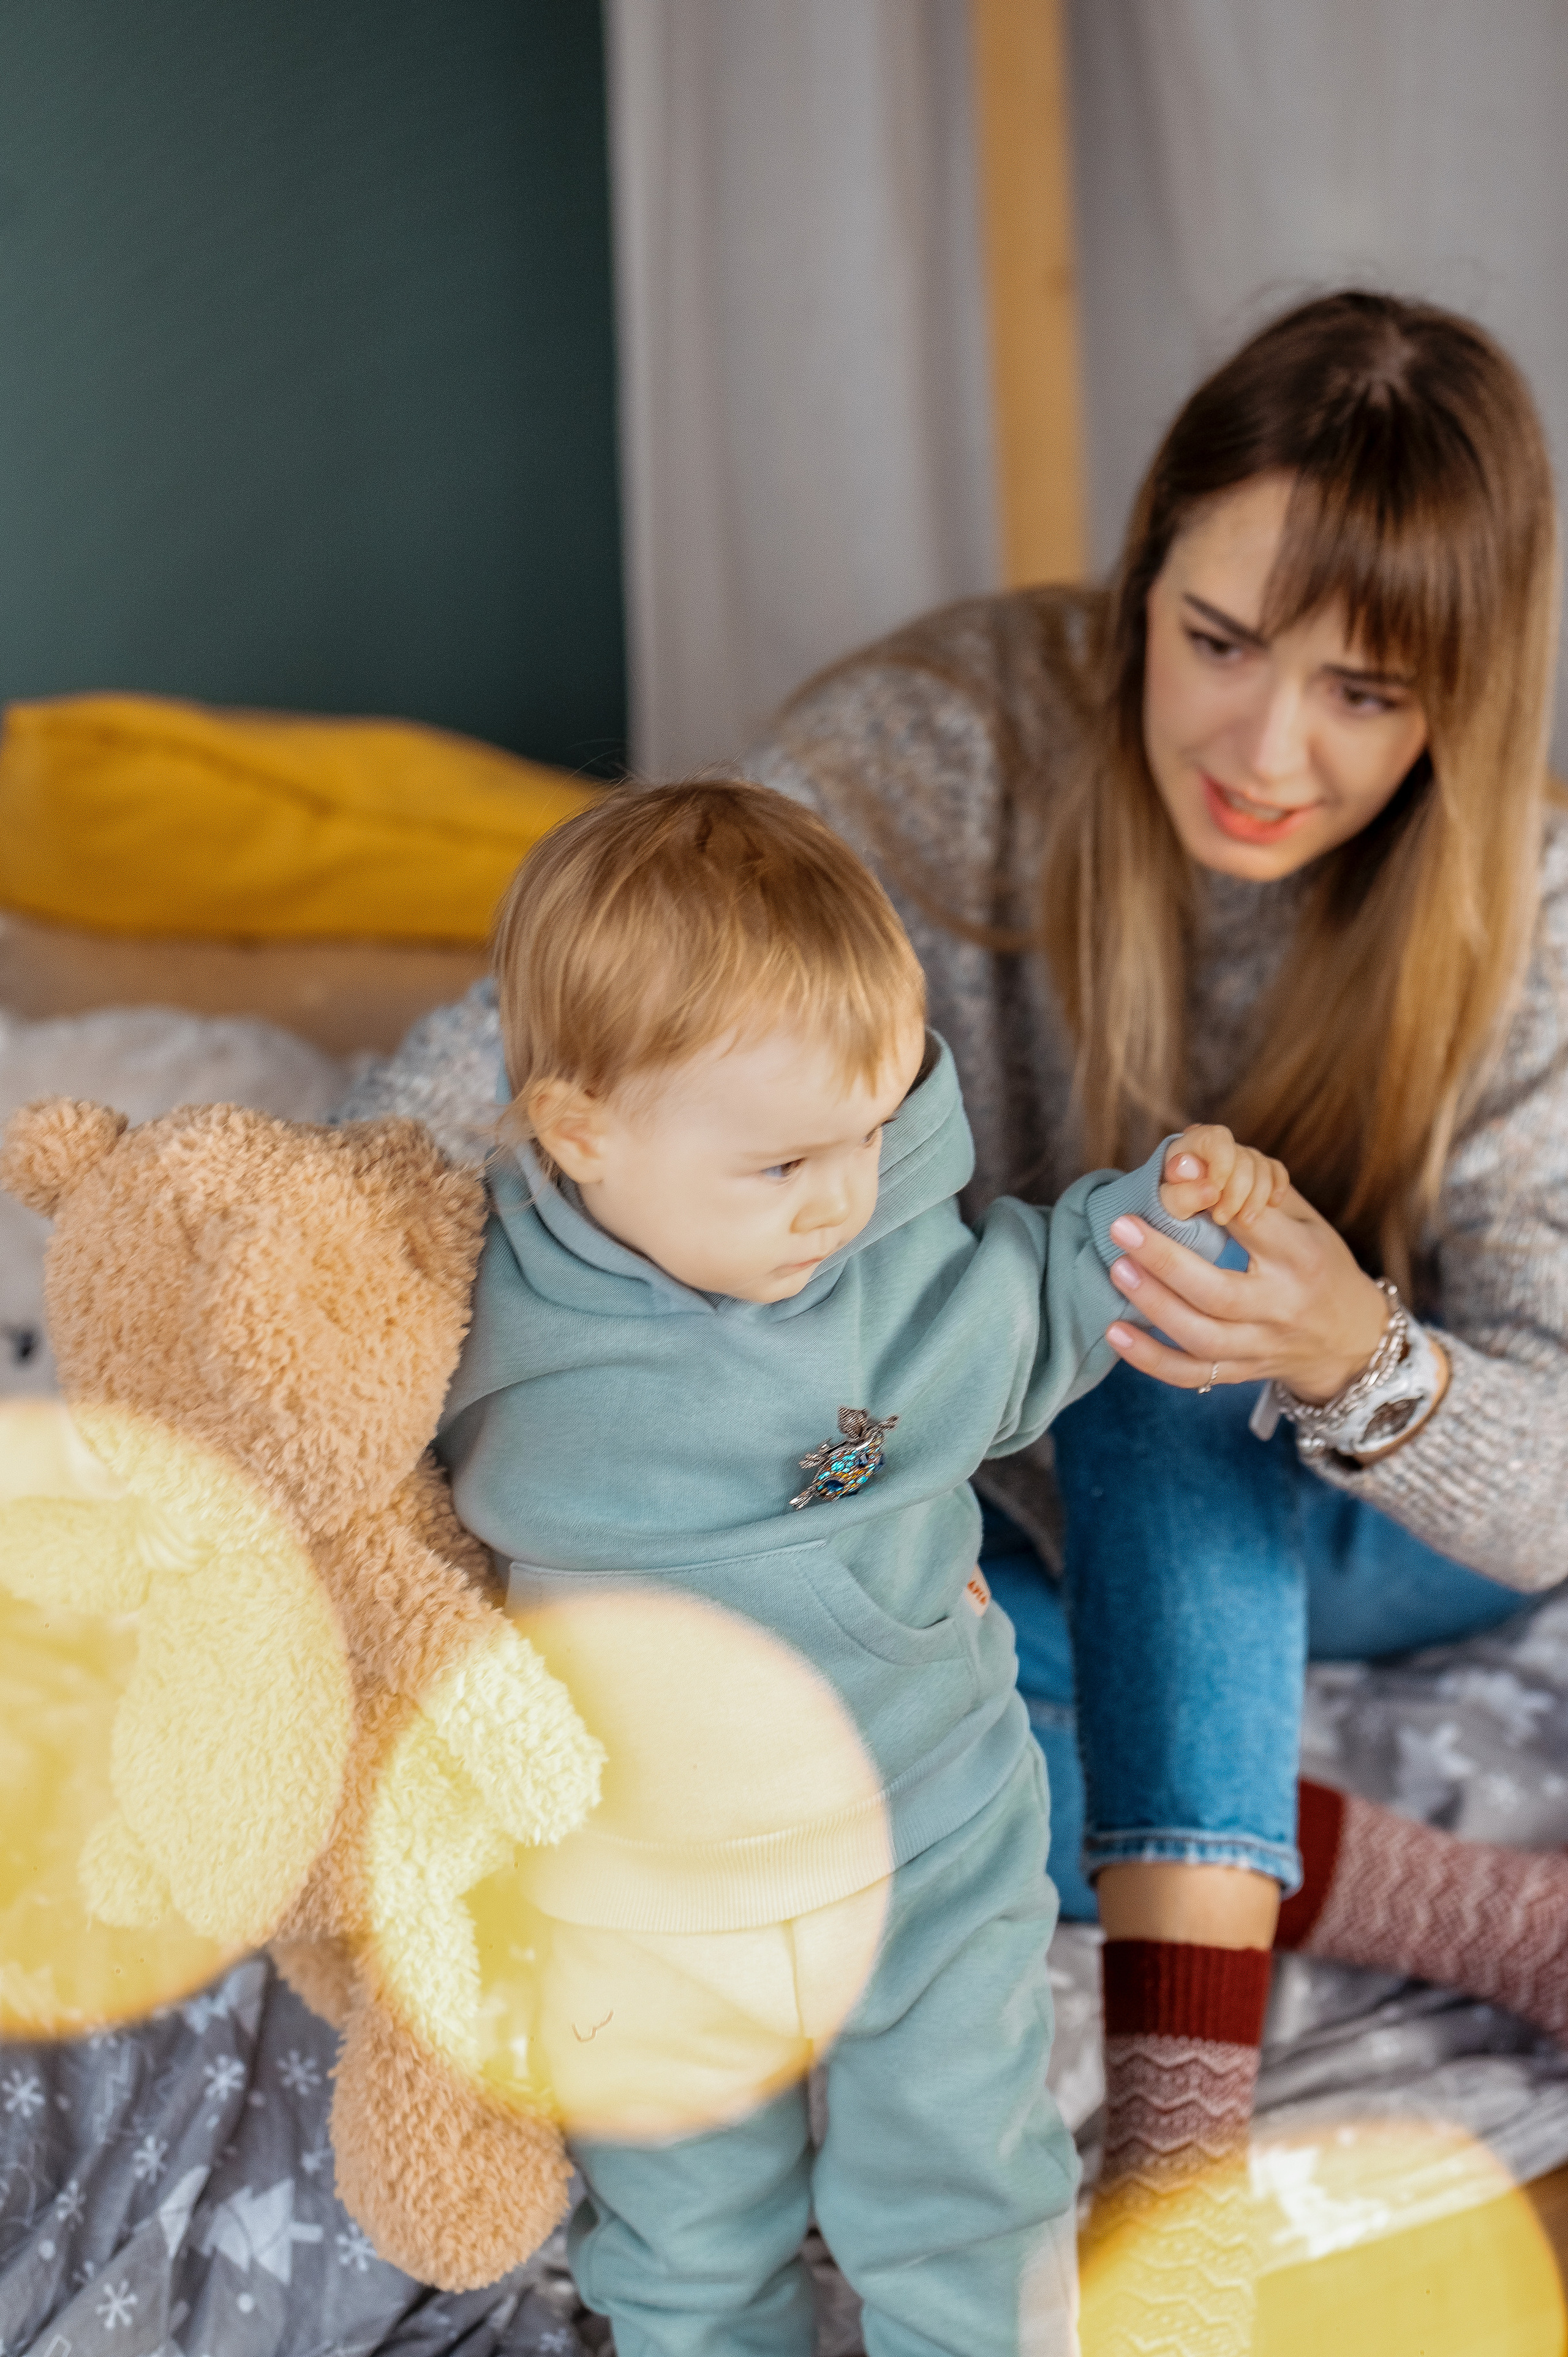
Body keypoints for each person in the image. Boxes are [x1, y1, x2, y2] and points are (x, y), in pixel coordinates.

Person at [740, 286, 1568, 2331]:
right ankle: (1474, 1908)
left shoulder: (1522, 913)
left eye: (1368, 695)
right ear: (1138, 585)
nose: (1271, 749)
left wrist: (1354, 1352)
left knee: (1165, 1275)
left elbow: (1554, 1494)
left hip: (1367, 1511)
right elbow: (548, 1046)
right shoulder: (938, 745)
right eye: (1219, 643)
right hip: (977, 1503)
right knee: (782, 1704)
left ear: (1462, 703)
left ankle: (1172, 2171)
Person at [432, 779, 1278, 2357]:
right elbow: (322, 1422)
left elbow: (1026, 1298)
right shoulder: (471, 1301)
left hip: (925, 1827)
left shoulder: (880, 1266)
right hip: (646, 1895)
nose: (842, 1194)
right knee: (684, 2244)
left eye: (874, 1128)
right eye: (779, 1167)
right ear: (576, 1131)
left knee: (960, 2185)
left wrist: (1170, 1226)